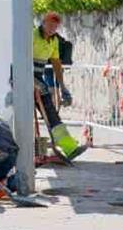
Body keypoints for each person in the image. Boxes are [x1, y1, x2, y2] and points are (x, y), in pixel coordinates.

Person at [33, 12, 87, 162]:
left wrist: (62, 86)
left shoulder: (54, 40)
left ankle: (69, 148)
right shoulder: (32, 35)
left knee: (51, 113)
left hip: (38, 77)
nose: (52, 29)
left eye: (55, 27)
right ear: (43, 23)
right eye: (50, 25)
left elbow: (56, 63)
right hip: (24, 76)